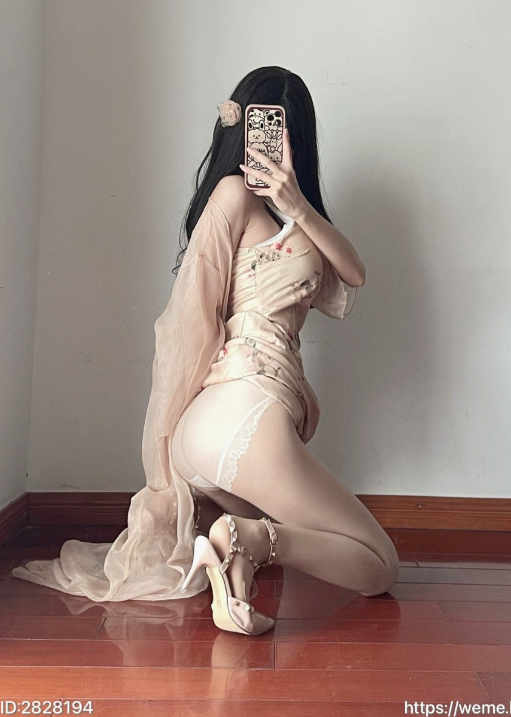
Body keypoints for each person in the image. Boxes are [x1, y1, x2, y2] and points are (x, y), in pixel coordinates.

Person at [12, 67, 399, 635]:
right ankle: (247, 541)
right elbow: (189, 320)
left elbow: (355, 274)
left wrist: (298, 206)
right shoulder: (233, 195)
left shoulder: (300, 223)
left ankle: (237, 567)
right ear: (241, 131)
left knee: (284, 529)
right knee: (380, 564)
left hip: (230, 428)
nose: (277, 145)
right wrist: (164, 451)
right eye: (267, 128)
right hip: (241, 412)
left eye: (287, 133)